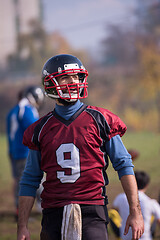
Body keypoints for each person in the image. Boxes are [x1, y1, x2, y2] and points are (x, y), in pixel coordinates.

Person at [17, 54, 144, 240]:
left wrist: (136, 212)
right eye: (66, 77)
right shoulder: (40, 129)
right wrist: (22, 226)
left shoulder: (101, 120)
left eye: (76, 77)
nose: (73, 82)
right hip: (53, 211)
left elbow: (124, 165)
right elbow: (30, 179)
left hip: (92, 209)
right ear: (51, 83)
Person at [6, 85, 44, 218]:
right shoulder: (27, 109)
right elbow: (35, 129)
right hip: (24, 152)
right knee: (31, 181)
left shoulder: (14, 110)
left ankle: (20, 210)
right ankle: (27, 211)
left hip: (14, 152)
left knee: (19, 181)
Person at [112, 170, 160, 240]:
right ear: (147, 185)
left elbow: (113, 212)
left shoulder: (120, 198)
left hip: (125, 237)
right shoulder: (151, 203)